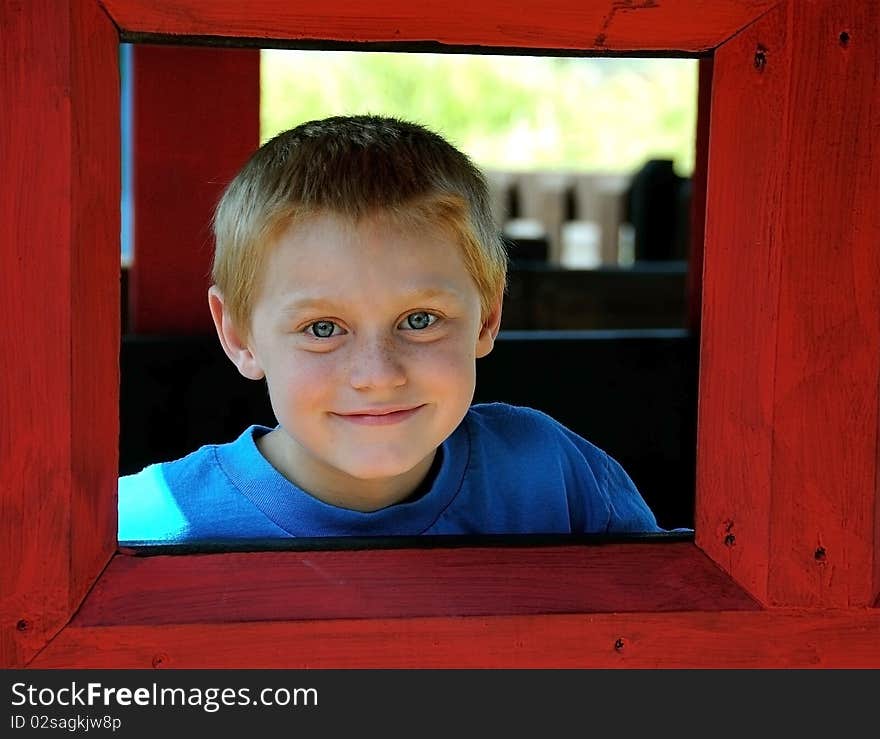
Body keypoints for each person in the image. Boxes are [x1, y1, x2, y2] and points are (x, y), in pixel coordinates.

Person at [118, 114, 665, 544]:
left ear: (489, 316)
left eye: (419, 321)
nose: (378, 376)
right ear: (239, 337)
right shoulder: (135, 528)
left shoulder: (555, 480)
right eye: (323, 328)